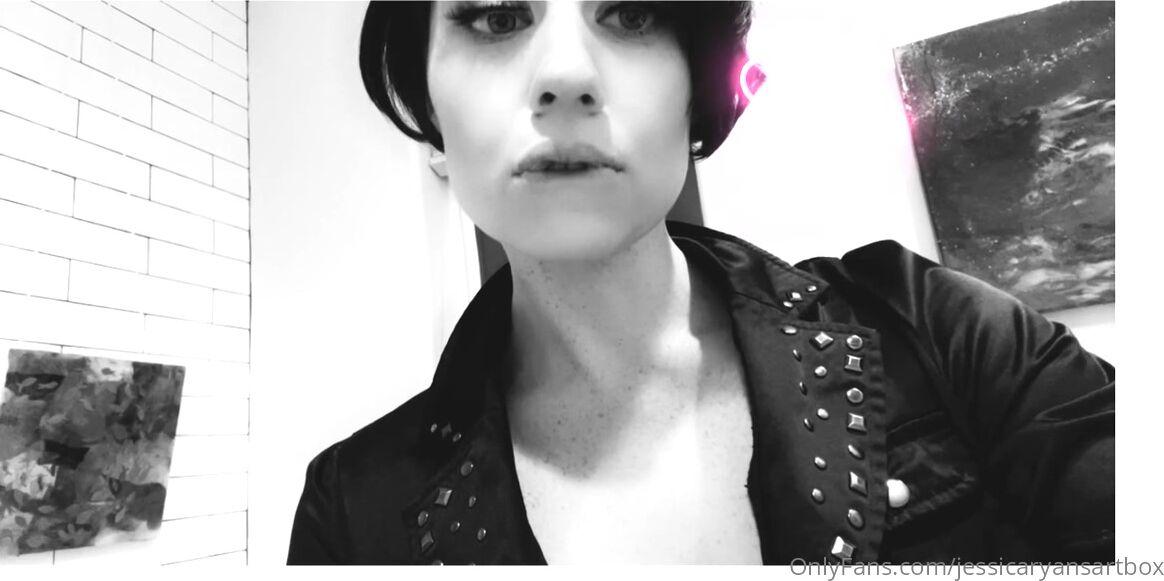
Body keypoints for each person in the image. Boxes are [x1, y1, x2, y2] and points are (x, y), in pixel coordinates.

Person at [287, 1, 1114, 565]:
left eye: (633, 13)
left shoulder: (942, 330)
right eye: (497, 16)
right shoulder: (352, 511)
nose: (566, 73)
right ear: (429, 111)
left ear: (696, 89)